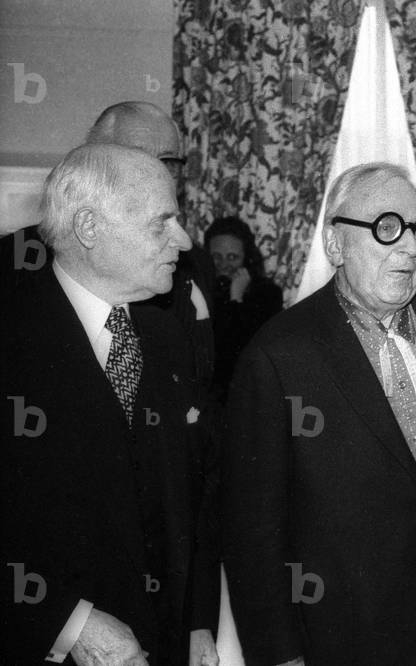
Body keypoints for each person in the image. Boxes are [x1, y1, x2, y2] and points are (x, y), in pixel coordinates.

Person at [221, 163, 416, 664]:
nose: (410, 247)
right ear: (336, 245)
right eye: (387, 229)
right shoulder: (278, 355)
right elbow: (252, 528)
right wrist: (278, 654)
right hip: (339, 630)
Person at [0, 144, 219, 664]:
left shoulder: (165, 332)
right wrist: (69, 626)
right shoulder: (11, 333)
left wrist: (196, 622)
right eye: (161, 222)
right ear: (90, 228)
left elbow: (193, 490)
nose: (184, 240)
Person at [86, 101, 218, 391]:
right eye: (137, 157)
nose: (155, 172)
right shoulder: (42, 261)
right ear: (92, 164)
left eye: (168, 161)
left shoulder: (195, 261)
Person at [203, 216, 282, 403]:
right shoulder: (202, 289)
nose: (223, 265)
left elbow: (239, 349)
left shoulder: (267, 294)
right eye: (216, 257)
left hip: (246, 391)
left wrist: (236, 297)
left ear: (246, 258)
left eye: (232, 257)